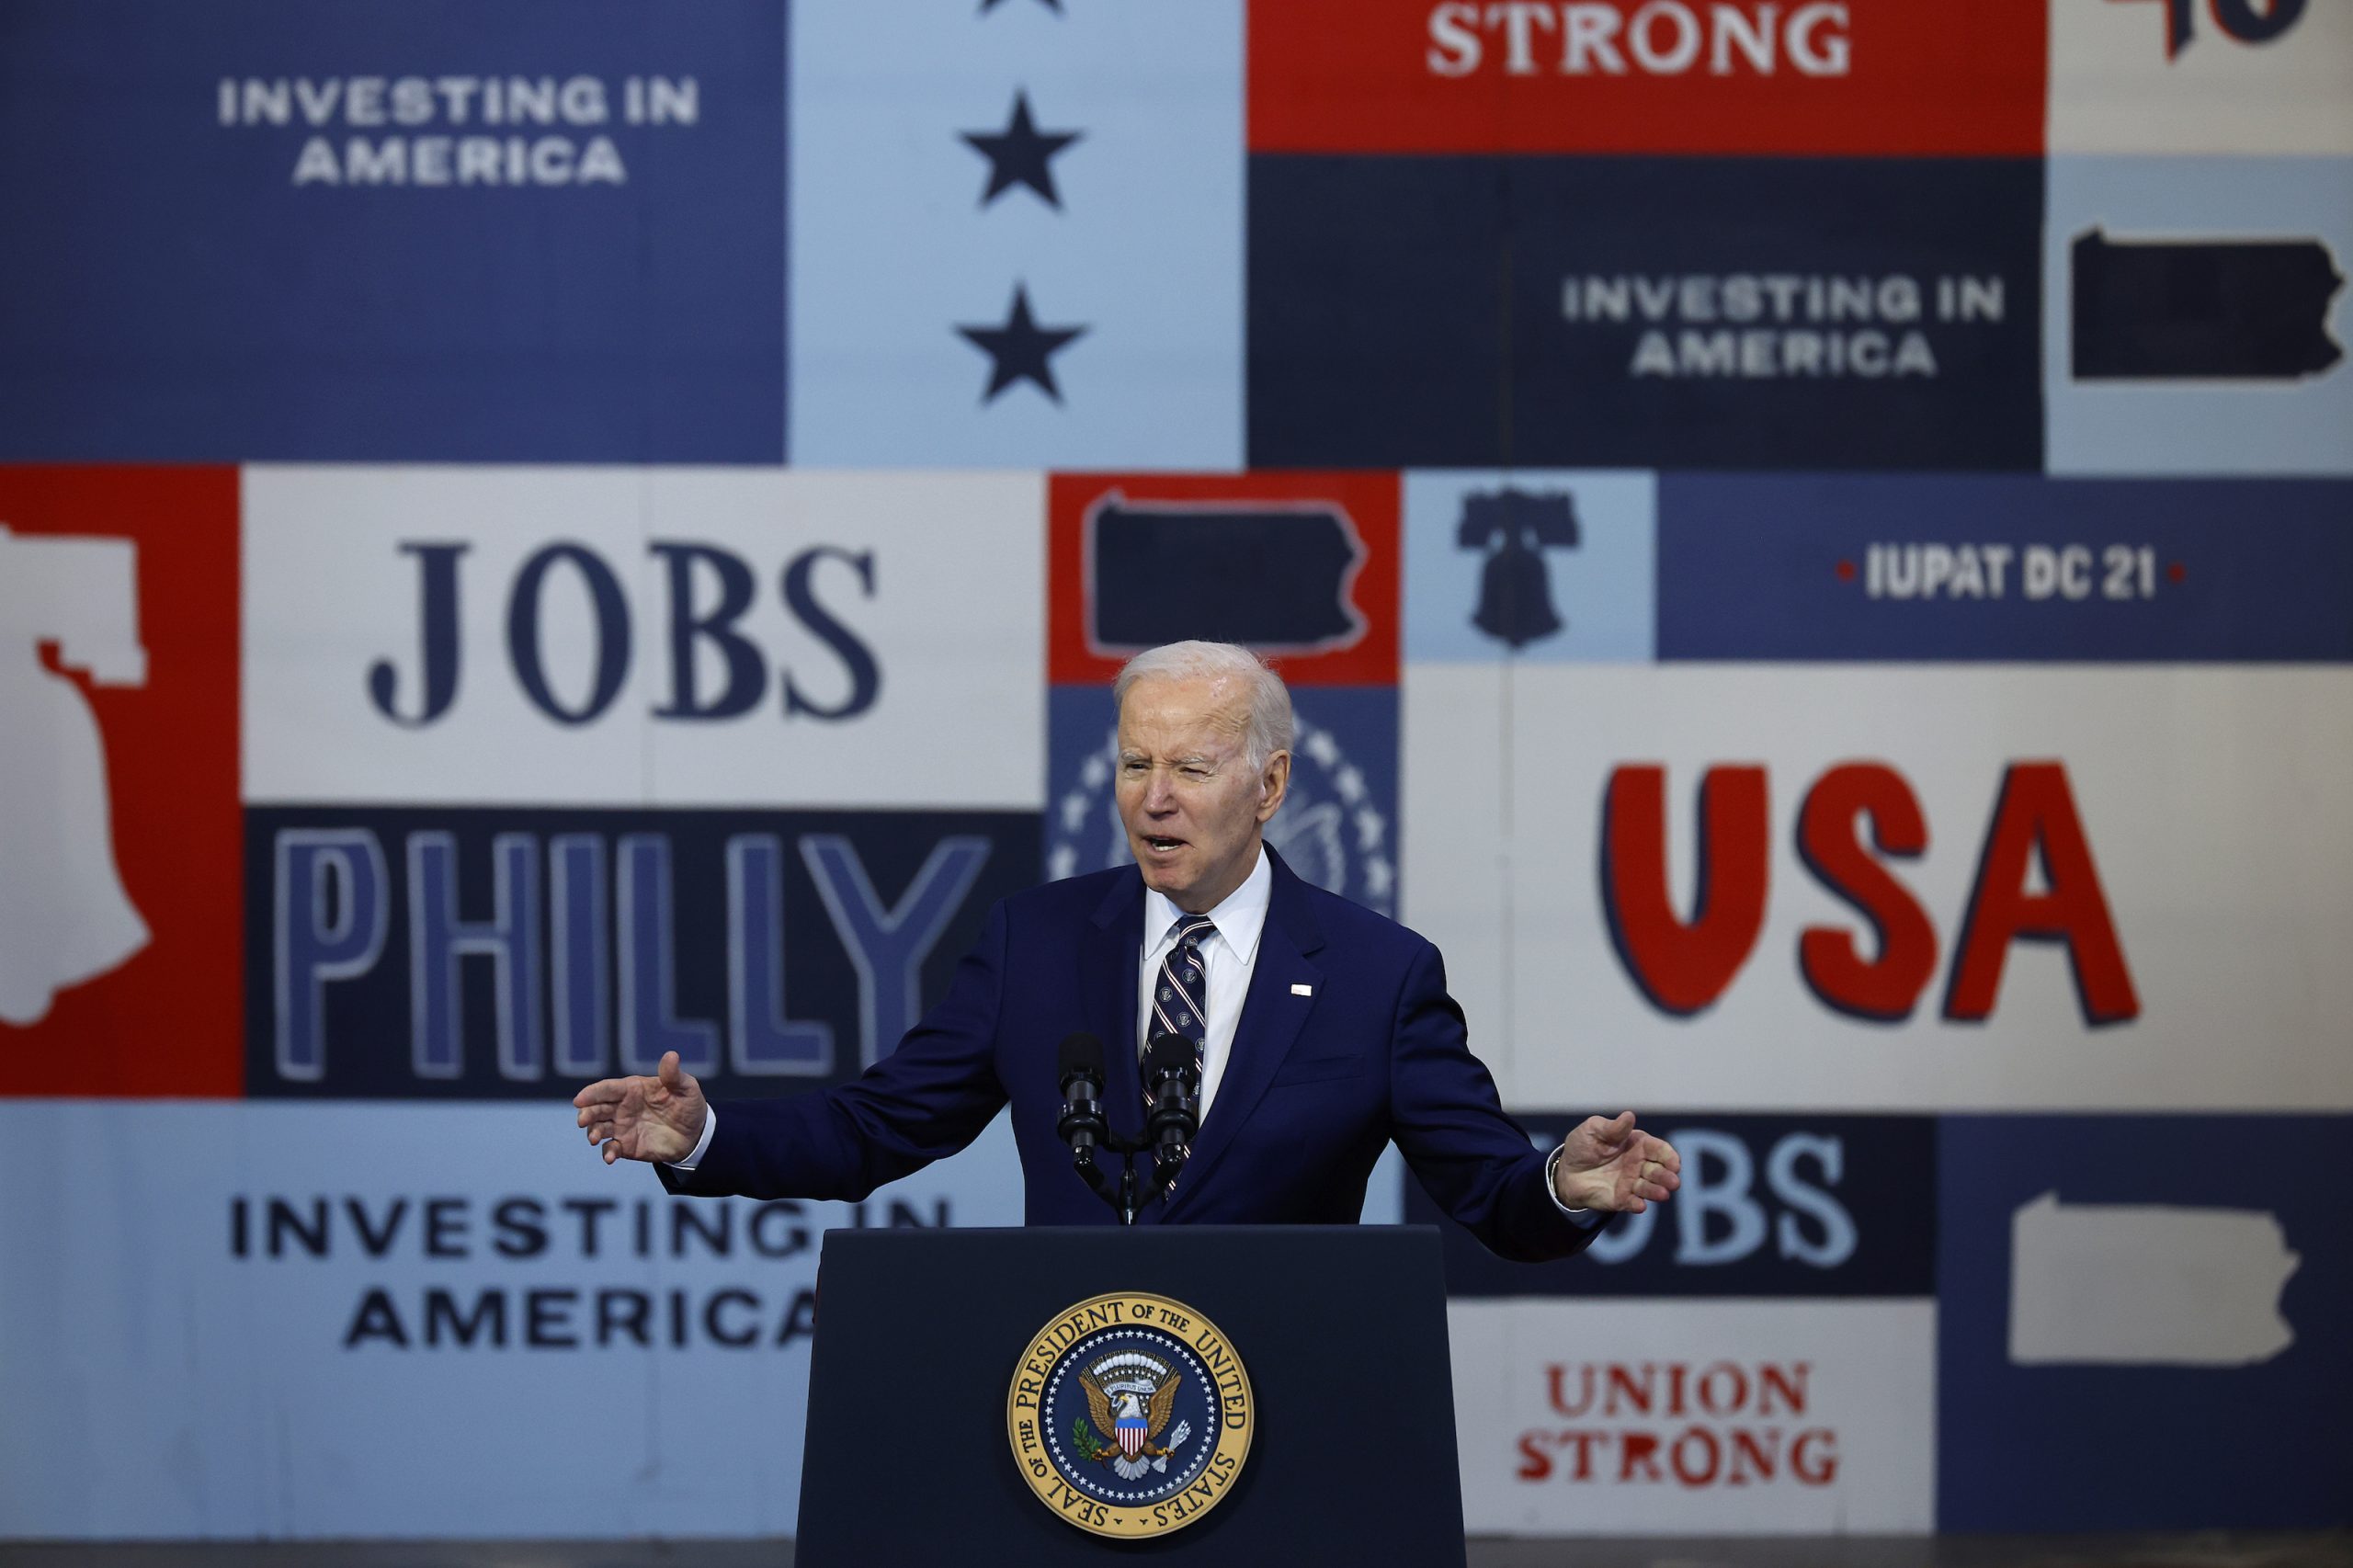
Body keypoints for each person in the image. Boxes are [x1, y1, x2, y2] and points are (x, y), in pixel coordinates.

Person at [574, 641, 1678, 1259]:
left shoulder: (1378, 973)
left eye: (1191, 768)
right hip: (1066, 1392)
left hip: (1276, 1395)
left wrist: (1562, 1183)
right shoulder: (1035, 939)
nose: (1152, 800)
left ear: (1271, 784)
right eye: (1131, 764)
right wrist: (702, 1135)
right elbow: (877, 1128)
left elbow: (1489, 1189)